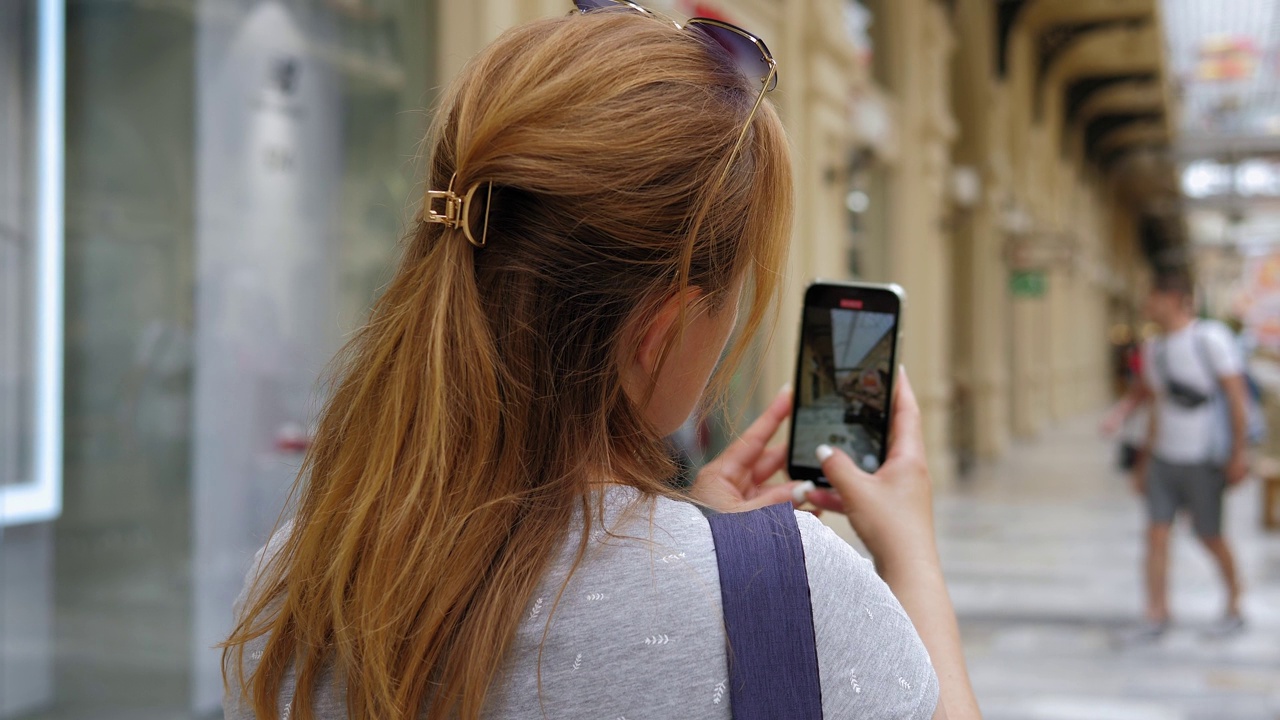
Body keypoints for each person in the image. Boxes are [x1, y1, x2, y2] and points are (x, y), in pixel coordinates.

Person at [221, 6, 981, 720]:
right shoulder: (800, 598)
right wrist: (905, 553)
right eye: (735, 295)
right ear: (663, 331)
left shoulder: (297, 586)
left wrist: (709, 542)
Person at [1126, 272, 1251, 641]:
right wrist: (1144, 461)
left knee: (1209, 535)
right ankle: (1156, 612)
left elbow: (1235, 396)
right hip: (1165, 458)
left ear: (1172, 299)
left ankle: (1234, 604)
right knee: (1155, 535)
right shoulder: (1155, 349)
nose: (1148, 306)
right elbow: (1156, 406)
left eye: (1153, 298)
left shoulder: (1210, 338)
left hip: (1204, 457)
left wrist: (1238, 454)